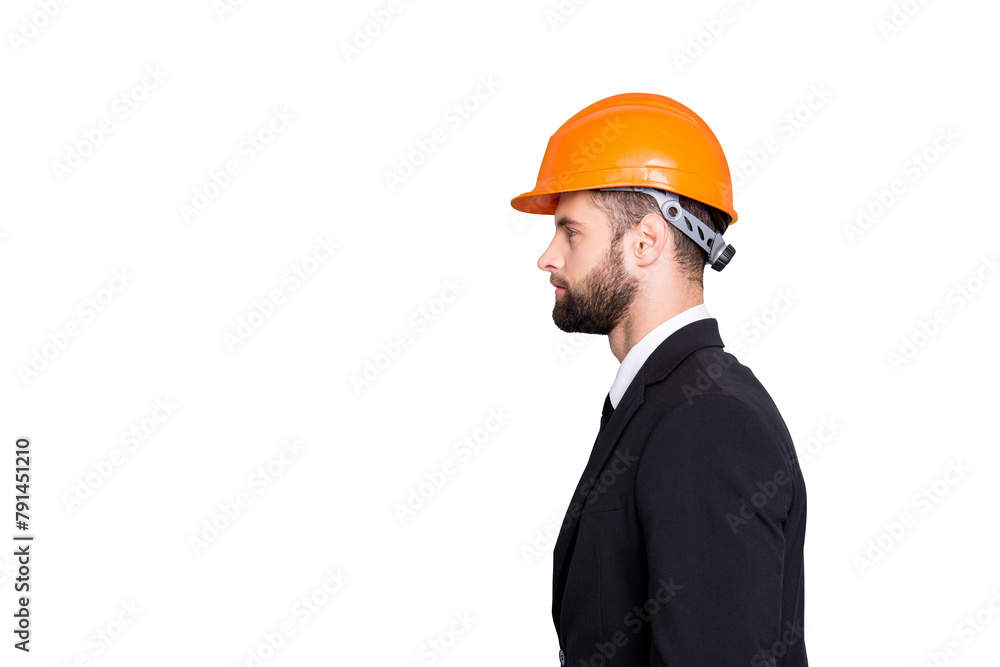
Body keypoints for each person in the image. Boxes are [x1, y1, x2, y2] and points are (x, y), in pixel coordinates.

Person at [510, 93, 808, 666]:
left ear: (646, 241)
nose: (547, 257)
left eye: (570, 232)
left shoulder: (707, 420)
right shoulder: (661, 404)